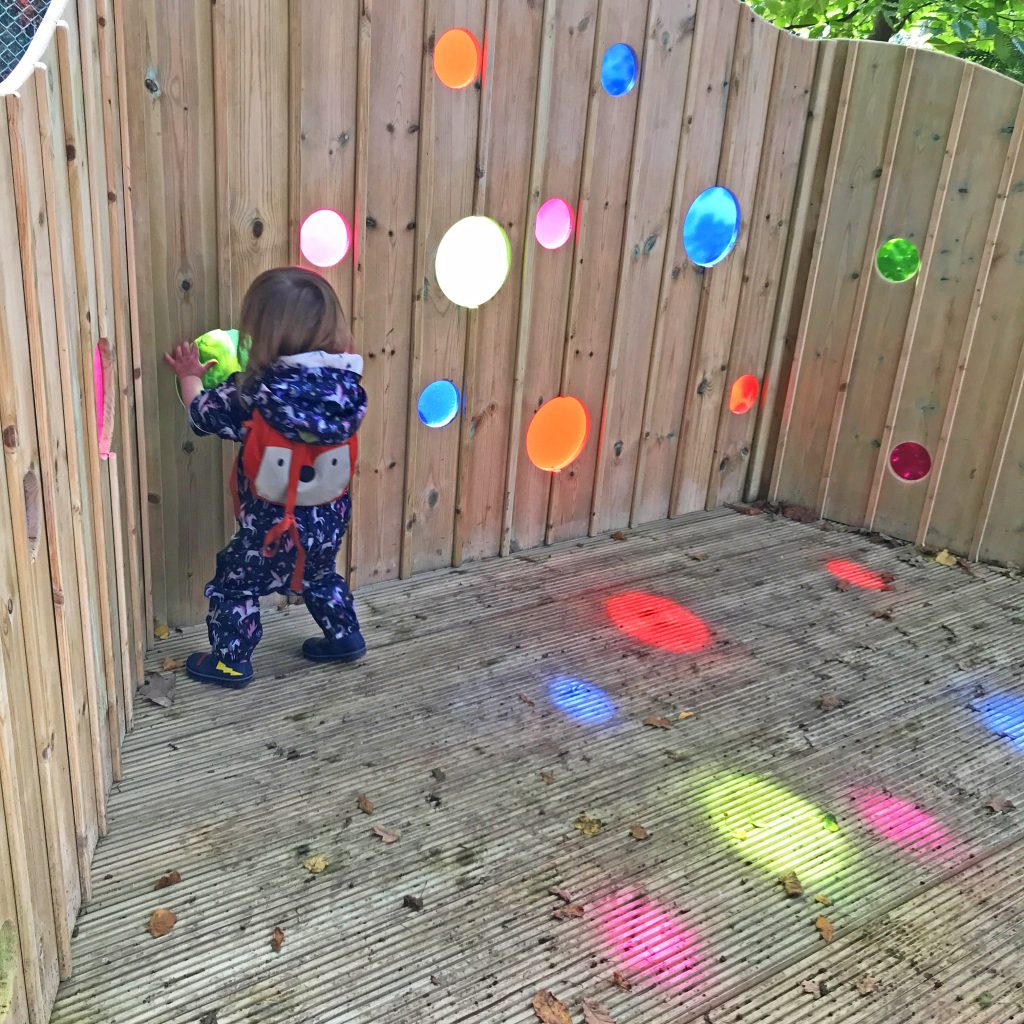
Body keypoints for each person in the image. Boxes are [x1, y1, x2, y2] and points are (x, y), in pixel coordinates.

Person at [164, 267, 367, 688]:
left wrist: (189, 378)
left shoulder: (254, 392)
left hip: (268, 530)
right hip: (328, 522)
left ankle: (230, 662)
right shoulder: (348, 390)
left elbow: (201, 418)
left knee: (234, 583)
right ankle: (345, 636)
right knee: (321, 575)